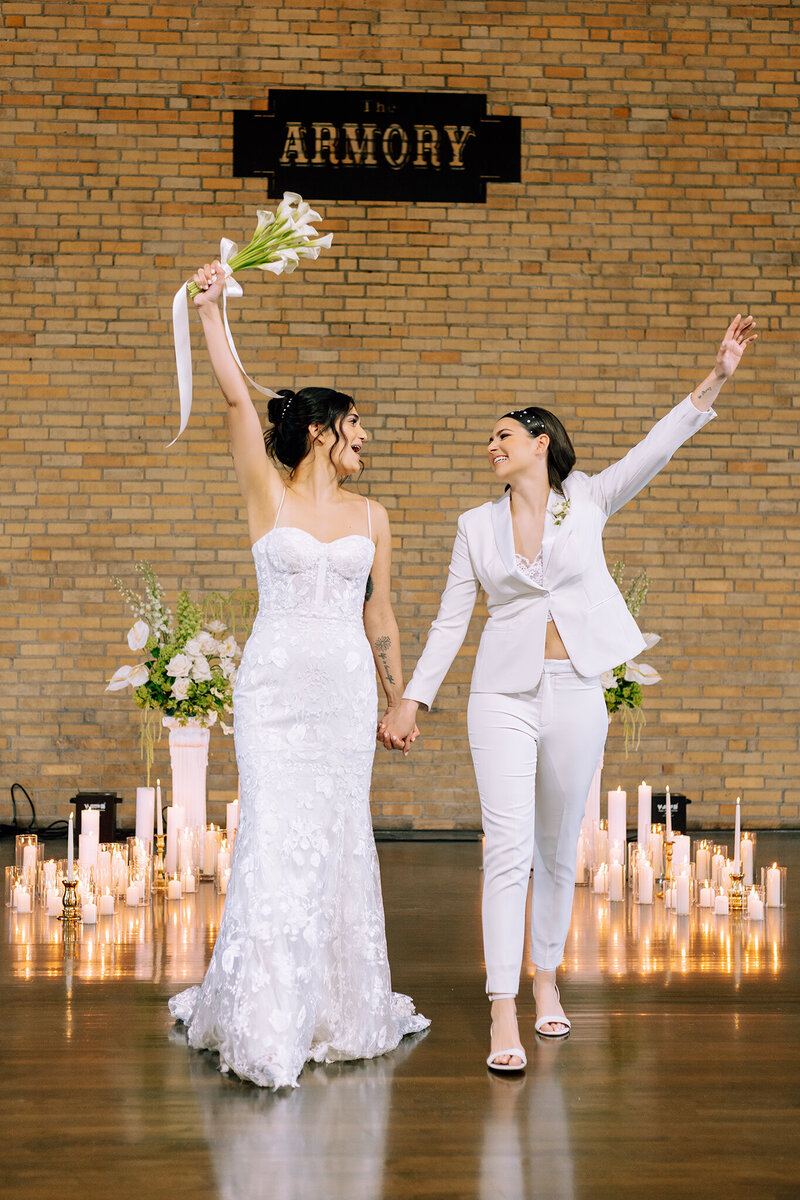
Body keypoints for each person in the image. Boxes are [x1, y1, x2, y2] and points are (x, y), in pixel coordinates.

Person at [379, 315, 757, 1071]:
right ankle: (501, 1009)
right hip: (501, 698)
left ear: (540, 443)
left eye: (503, 436)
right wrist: (410, 699)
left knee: (555, 848)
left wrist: (715, 378)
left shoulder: (587, 497)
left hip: (578, 689)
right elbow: (452, 621)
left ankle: (545, 982)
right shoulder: (474, 527)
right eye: (488, 440)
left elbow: (657, 448)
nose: (492, 447)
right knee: (507, 849)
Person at [169, 260, 428, 1089]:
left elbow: (380, 616)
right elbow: (241, 401)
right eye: (356, 428)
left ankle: (338, 1010)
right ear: (321, 431)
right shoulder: (267, 497)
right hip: (275, 693)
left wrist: (399, 702)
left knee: (340, 842)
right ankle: (264, 1017)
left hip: (346, 695)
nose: (365, 441)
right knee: (277, 842)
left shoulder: (373, 516)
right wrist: (211, 312)